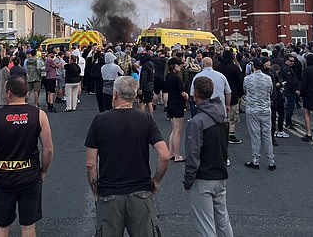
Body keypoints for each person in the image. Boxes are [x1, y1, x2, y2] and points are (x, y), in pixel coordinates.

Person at [85, 76, 169, 236]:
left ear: (115, 94)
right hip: (141, 192)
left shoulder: (100, 120)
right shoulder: (145, 119)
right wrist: (156, 180)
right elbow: (164, 155)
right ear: (135, 95)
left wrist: (95, 189)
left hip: (109, 192)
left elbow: (91, 164)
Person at [0, 75, 54, 237]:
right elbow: (48, 149)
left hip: (4, 177)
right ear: (26, 93)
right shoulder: (39, 115)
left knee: (2, 226)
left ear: (8, 93)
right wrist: (43, 171)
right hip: (30, 176)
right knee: (28, 227)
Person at [183, 75, 233, 237]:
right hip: (220, 174)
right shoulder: (222, 117)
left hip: (203, 177)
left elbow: (193, 154)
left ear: (195, 93)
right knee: (222, 220)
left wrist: (188, 180)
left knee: (206, 226)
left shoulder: (196, 122)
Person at [243, 57, 276, 171]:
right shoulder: (268, 78)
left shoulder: (247, 79)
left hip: (252, 110)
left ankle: (255, 160)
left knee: (255, 136)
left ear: (253, 66)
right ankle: (271, 162)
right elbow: (271, 91)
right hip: (265, 109)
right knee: (267, 135)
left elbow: (245, 91)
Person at [165, 57, 188, 162]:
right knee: (178, 131)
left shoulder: (168, 77)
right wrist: (187, 97)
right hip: (178, 104)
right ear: (174, 66)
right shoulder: (177, 78)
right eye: (178, 65)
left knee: (174, 130)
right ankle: (177, 155)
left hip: (171, 103)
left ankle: (171, 153)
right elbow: (182, 93)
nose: (180, 67)